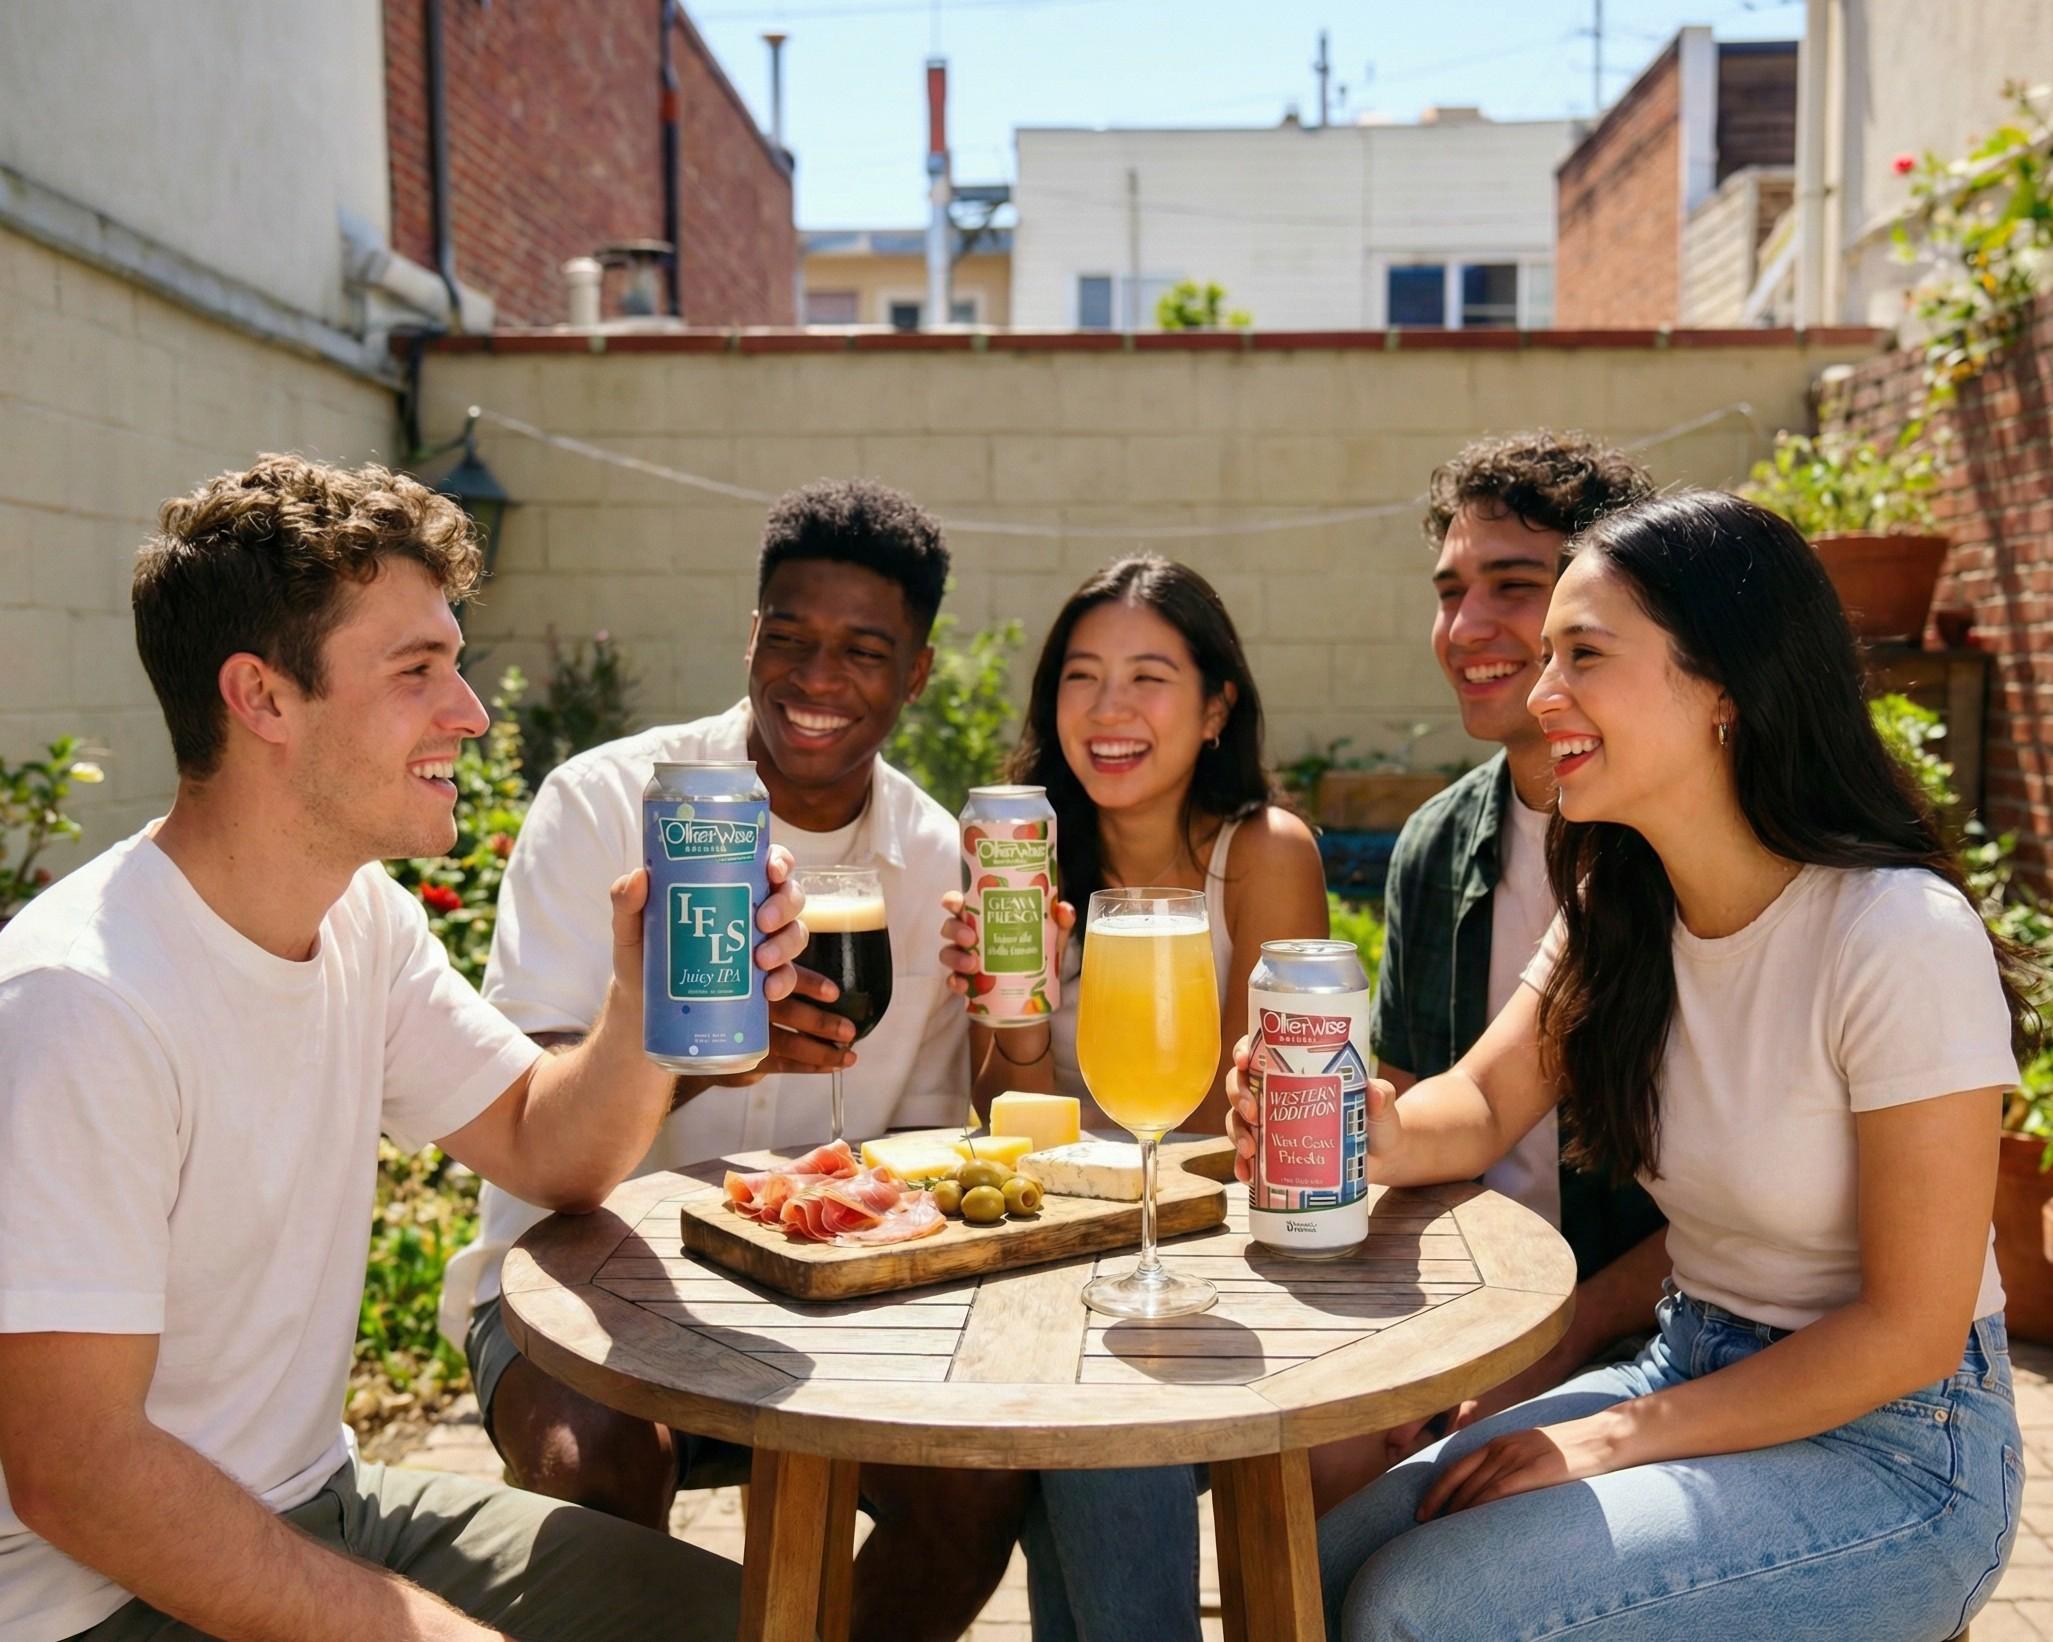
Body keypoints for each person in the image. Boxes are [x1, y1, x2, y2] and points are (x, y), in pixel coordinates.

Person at [0, 456, 810, 1641]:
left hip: (320, 1504)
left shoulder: (357, 915)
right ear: (263, 698)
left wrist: (642, 1002)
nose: (470, 712)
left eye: (458, 663)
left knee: (741, 1621)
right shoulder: (81, 1002)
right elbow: (76, 1472)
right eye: (418, 670)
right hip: (101, 1597)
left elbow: (545, 1146)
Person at [1231, 489, 2035, 1641]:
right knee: (1317, 1554)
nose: (1541, 688)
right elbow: (1477, 1101)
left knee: (1424, 1609)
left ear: (1724, 689)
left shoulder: (1896, 935)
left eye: (1584, 655)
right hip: (1689, 1357)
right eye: (1547, 652)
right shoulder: (1621, 899)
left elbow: (1910, 1329)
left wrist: (1603, 1437)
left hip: (1903, 1446)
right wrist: (1356, 1123)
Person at [439, 477, 1025, 1641]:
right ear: (750, 634)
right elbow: (529, 1080)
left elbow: (921, 1149)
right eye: (790, 637)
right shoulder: (604, 802)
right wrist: (710, 1063)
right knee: (592, 1467)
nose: (817, 679)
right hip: (576, 1277)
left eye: (864, 649)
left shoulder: (927, 855)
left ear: (914, 672)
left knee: (974, 1487)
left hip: (833, 1300)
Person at [938, 553, 1329, 1642]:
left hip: (1220, 1265)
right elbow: (1003, 1133)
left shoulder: (1262, 854)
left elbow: (1248, 1131)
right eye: (1080, 675)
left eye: (1148, 677)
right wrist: (1016, 1016)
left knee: (1106, 1416)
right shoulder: (1029, 862)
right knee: (1075, 1410)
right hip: (1073, 1258)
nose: (1107, 710)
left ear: (1216, 708)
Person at [1311, 432, 1670, 1511]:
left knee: (1433, 1533)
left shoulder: (1673, 847)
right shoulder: (1436, 842)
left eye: (1513, 587)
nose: (1467, 628)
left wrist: (1548, 1343)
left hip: (1651, 1327)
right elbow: (1440, 1115)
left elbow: (1755, 1213)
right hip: (1485, 1306)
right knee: (1309, 1459)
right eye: (1449, 590)